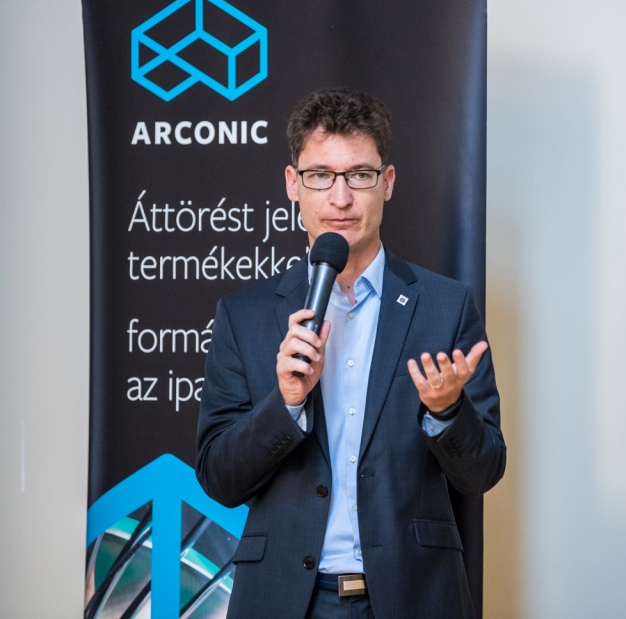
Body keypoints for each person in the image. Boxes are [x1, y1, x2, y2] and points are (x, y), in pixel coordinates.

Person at [196, 87, 505, 619]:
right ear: (293, 184)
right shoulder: (244, 315)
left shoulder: (446, 306)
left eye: (360, 175)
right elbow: (219, 479)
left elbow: (485, 472)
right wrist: (286, 403)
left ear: (387, 182)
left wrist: (447, 412)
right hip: (282, 600)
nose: (340, 198)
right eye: (320, 175)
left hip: (414, 596)